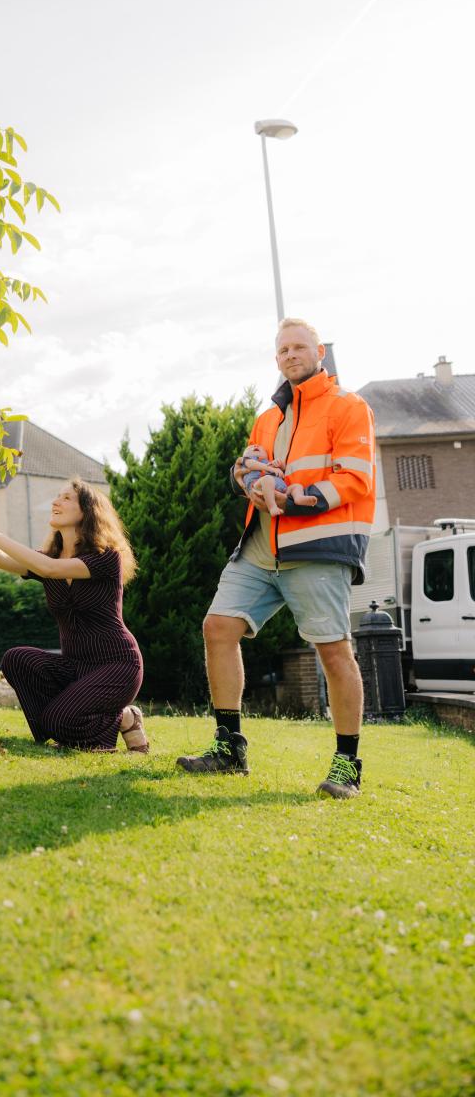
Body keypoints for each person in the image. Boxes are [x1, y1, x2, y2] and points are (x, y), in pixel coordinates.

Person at [176, 318, 376, 799]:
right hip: (260, 546)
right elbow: (248, 464)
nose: (290, 355)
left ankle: (347, 765)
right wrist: (255, 480)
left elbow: (355, 477)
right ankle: (229, 750)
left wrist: (292, 496)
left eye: (299, 347)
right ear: (276, 358)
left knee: (332, 651)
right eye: (283, 349)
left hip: (317, 548)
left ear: (319, 353)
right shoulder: (269, 417)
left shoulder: (350, 407)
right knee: (218, 627)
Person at [0, 476, 147, 752]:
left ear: (87, 511)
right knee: (17, 659)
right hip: (74, 666)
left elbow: (50, 569)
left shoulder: (106, 558)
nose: (55, 502)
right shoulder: (50, 557)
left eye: (66, 498)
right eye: (57, 497)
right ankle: (60, 730)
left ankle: (123, 718)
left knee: (59, 719)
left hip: (116, 666)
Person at [239, 444, 318, 516]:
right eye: (250, 448)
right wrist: (269, 468)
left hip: (281, 490)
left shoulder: (269, 463)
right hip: (258, 486)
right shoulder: (248, 461)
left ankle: (299, 498)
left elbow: (283, 473)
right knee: (267, 479)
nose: (255, 446)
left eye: (259, 446)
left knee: (296, 486)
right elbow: (251, 465)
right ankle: (272, 507)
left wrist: (281, 465)